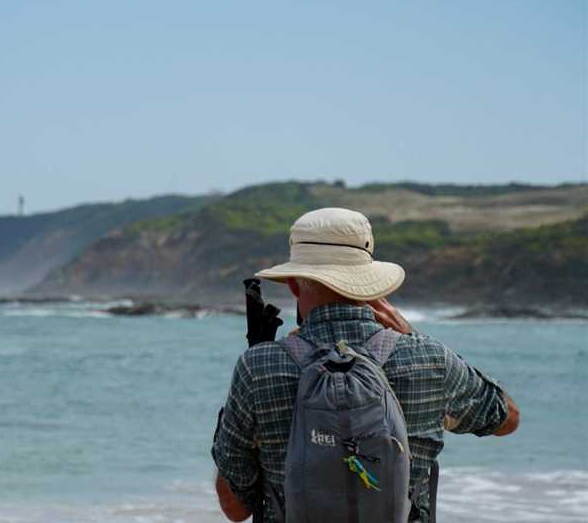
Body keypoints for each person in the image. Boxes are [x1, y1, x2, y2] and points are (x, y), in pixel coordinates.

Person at [211, 208, 520, 523]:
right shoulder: (430, 358)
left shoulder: (257, 367)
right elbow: (507, 418)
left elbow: (234, 508)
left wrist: (255, 360)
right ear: (370, 281)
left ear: (292, 283)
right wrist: (414, 338)